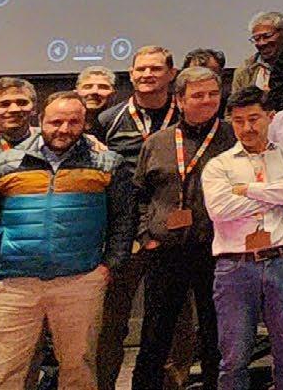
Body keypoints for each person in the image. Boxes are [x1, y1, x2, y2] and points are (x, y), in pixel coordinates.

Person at [0, 91, 131, 390]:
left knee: (78, 369)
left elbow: (124, 219)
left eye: (73, 122)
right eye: (56, 122)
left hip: (80, 280)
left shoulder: (107, 163)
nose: (64, 129)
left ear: (85, 123)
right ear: (41, 120)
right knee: (4, 370)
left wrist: (108, 266)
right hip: (15, 283)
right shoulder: (5, 163)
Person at [203, 87, 283, 390]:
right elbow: (220, 209)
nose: (247, 127)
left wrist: (249, 190)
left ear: (270, 117)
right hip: (235, 267)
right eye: (238, 121)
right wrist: (280, 196)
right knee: (233, 358)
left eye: (254, 119)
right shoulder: (219, 165)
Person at [129, 67, 231, 390]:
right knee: (155, 335)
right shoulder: (158, 143)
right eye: (198, 95)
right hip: (166, 250)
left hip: (217, 249)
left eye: (213, 94)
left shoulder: (233, 137)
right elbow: (139, 195)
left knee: (217, 332)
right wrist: (146, 236)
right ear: (180, 100)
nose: (207, 100)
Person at [88, 46, 172, 389]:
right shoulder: (109, 119)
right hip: (123, 230)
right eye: (141, 69)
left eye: (156, 68)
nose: (147, 74)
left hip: (171, 229)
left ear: (171, 73)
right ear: (132, 74)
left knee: (172, 319)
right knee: (112, 320)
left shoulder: (185, 115)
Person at [235, 11, 283, 99]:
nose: (262, 43)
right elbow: (235, 105)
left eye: (267, 36)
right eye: (256, 39)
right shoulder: (245, 71)